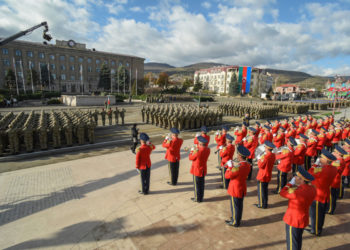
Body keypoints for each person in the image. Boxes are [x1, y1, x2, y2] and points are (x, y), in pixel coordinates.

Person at [280, 166, 316, 250]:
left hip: (293, 220)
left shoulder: (297, 192)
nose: (294, 178)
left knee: (292, 244)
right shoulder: (312, 189)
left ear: (302, 180)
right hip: (303, 218)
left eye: (296, 176)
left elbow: (282, 193)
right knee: (297, 240)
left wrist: (290, 183)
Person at [306, 149, 337, 236]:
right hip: (325, 193)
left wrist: (315, 164)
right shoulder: (333, 168)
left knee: (315, 214)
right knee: (320, 214)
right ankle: (316, 226)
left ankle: (315, 230)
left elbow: (309, 173)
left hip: (318, 195)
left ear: (326, 160)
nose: (320, 159)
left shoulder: (322, 170)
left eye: (321, 158)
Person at [224, 145, 251, 227]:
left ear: (239, 156)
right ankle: (237, 218)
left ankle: (235, 222)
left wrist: (229, 167)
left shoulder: (238, 167)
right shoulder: (247, 165)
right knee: (239, 205)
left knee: (235, 206)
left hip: (235, 188)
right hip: (241, 187)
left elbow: (227, 176)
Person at [189, 136, 210, 202]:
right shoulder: (208, 149)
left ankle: (197, 198)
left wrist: (192, 151)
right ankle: (201, 197)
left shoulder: (198, 151)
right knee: (201, 185)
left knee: (197, 185)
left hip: (197, 170)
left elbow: (191, 158)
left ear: (200, 143)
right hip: (203, 169)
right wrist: (196, 149)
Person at [255, 140, 276, 209]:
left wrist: (259, 159)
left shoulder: (266, 156)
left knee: (261, 191)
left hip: (262, 175)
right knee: (265, 190)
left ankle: (261, 204)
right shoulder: (273, 155)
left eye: (265, 147)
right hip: (267, 174)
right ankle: (265, 203)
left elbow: (260, 165)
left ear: (266, 148)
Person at [327, 145, 346, 214]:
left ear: (339, 154)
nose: (333, 153)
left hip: (334, 181)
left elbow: (331, 169)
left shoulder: (338, 161)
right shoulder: (339, 160)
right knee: (332, 196)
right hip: (334, 180)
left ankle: (330, 210)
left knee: (332, 197)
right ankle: (330, 208)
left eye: (335, 152)